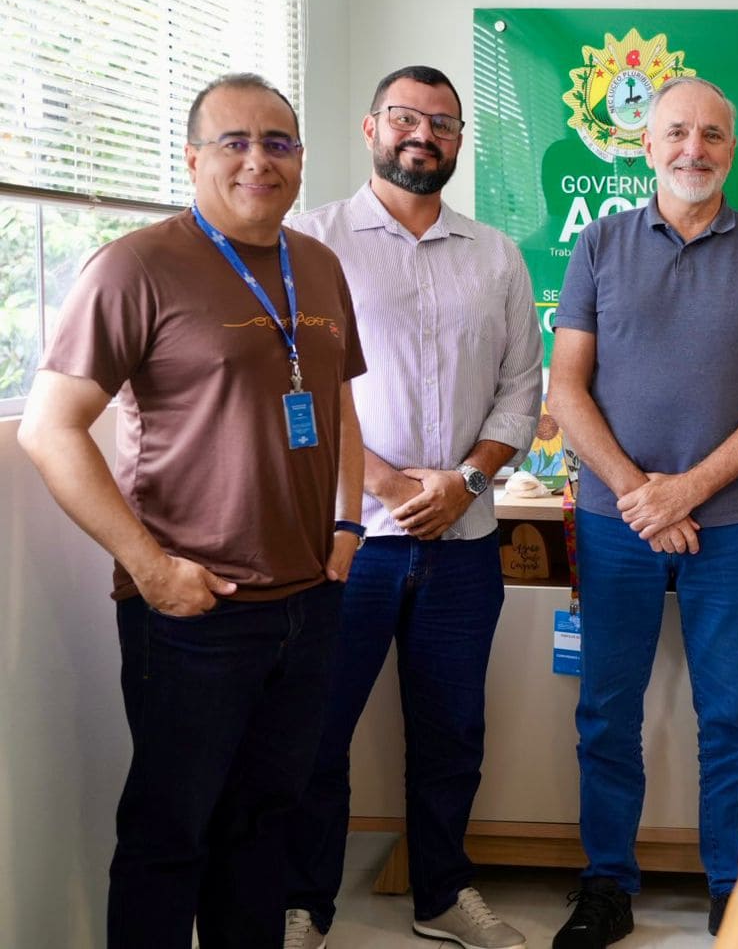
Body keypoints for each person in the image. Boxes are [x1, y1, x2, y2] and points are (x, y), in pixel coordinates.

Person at [17, 73, 365, 949]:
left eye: (278, 143)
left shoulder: (317, 263)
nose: (259, 160)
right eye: (235, 142)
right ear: (193, 159)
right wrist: (152, 569)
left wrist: (350, 525)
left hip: (307, 602)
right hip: (195, 610)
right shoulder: (136, 265)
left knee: (263, 830)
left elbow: (340, 406)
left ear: (300, 159)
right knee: (171, 838)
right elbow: (50, 431)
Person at [545, 76, 738, 947]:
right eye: (677, 133)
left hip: (727, 524)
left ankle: (731, 887)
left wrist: (683, 493)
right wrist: (638, 495)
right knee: (607, 710)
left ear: (733, 149)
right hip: (612, 522)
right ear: (646, 144)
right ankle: (606, 885)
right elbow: (567, 390)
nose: (695, 149)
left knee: (728, 713)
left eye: (713, 136)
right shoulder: (598, 246)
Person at [282, 66, 540, 949]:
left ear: (461, 140)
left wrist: (464, 480)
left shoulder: (497, 255)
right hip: (349, 543)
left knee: (451, 734)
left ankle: (442, 895)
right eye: (404, 117)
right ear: (370, 128)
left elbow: (520, 390)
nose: (421, 134)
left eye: (441, 121)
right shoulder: (310, 244)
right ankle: (305, 906)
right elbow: (300, 387)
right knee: (318, 733)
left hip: (464, 542)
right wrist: (388, 484)